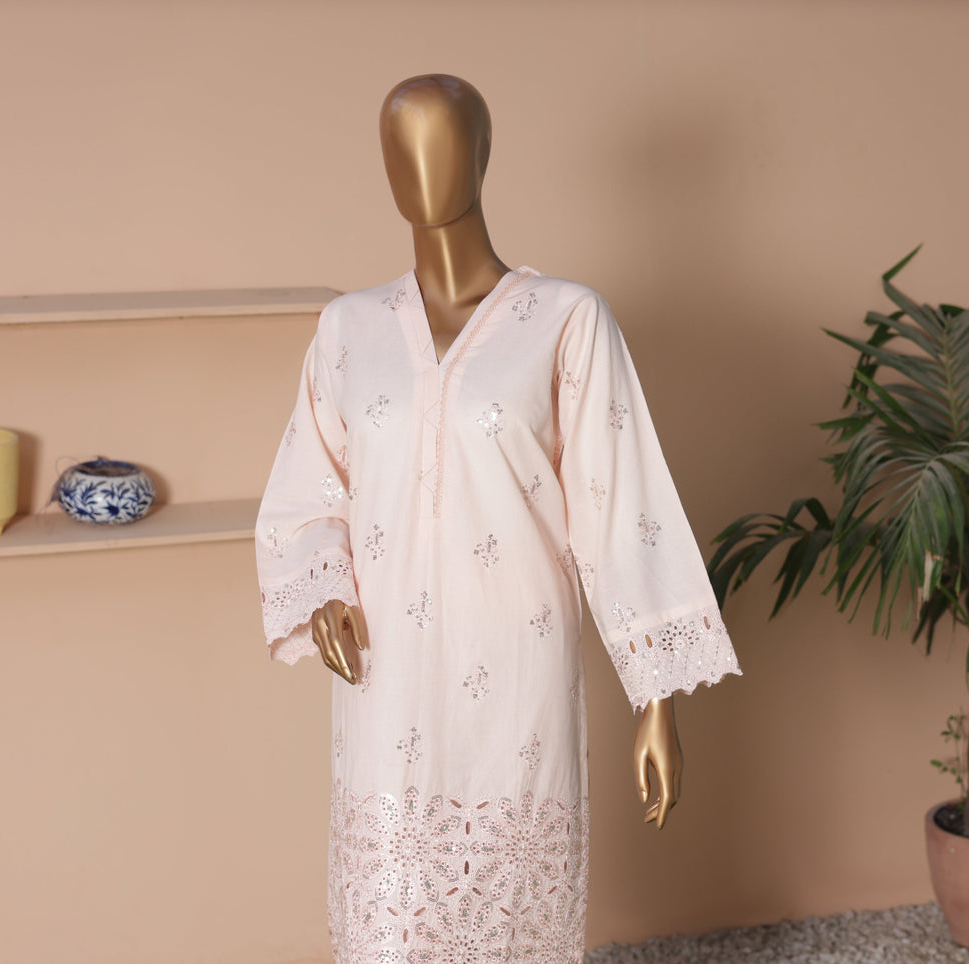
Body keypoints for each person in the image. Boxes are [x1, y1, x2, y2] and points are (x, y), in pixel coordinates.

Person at [254, 72, 742, 963]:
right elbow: (308, 487)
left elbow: (619, 504)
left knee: (511, 913)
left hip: (514, 661)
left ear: (483, 155)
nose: (421, 168)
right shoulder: (348, 328)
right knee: (391, 914)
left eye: (442, 142)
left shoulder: (564, 320)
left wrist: (658, 697)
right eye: (399, 147)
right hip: (384, 670)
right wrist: (323, 590)